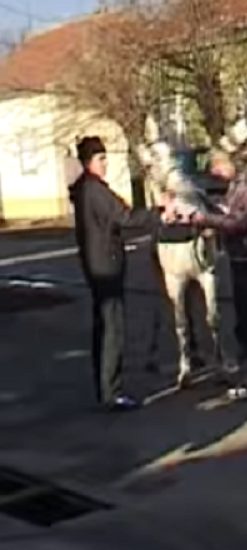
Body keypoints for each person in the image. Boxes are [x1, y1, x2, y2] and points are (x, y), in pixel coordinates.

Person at [69, 136, 169, 411]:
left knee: (104, 326)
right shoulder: (94, 190)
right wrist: (159, 214)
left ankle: (105, 388)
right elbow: (125, 217)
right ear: (89, 162)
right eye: (101, 159)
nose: (106, 164)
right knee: (112, 329)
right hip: (106, 267)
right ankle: (112, 392)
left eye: (106, 158)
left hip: (97, 265)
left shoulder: (84, 190)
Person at [188, 151, 247, 399]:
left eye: (217, 167)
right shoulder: (239, 186)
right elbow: (232, 213)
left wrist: (205, 219)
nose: (215, 174)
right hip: (244, 255)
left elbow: (238, 222)